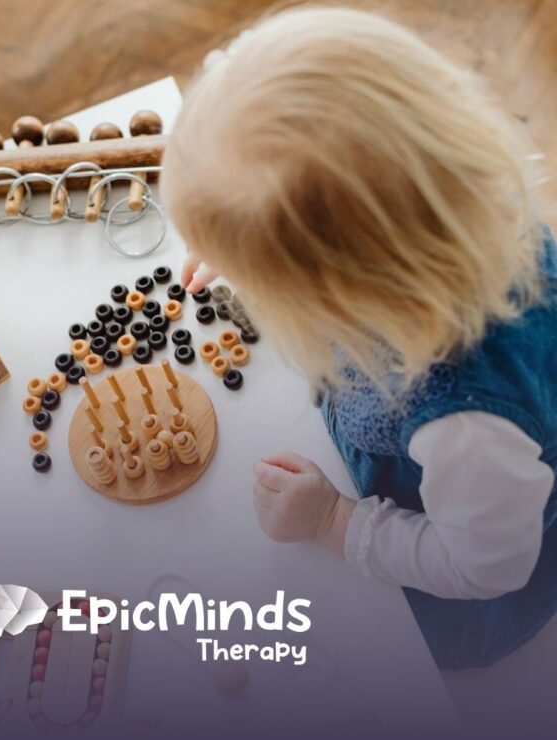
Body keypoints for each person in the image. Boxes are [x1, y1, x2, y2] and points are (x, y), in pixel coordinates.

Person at [162, 6, 557, 669]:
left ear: (340, 294)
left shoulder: (466, 421)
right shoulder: (451, 206)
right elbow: (338, 198)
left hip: (449, 573)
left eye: (272, 286)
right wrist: (252, 247)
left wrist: (334, 523)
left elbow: (486, 566)